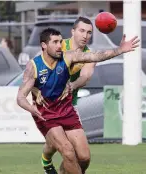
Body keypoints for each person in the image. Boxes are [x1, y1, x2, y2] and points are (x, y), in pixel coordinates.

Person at [16, 28, 139, 174]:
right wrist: (31, 108)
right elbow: (20, 97)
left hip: (67, 111)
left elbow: (95, 56)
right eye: (55, 42)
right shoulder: (34, 66)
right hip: (46, 114)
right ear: (44, 45)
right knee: (68, 152)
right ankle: (47, 162)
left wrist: (119, 50)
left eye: (61, 41)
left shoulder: (68, 57)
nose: (59, 45)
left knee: (84, 157)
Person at [40, 17, 96, 174]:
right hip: (49, 105)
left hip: (70, 105)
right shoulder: (58, 45)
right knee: (64, 147)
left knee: (84, 158)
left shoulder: (89, 55)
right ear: (73, 31)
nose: (85, 35)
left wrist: (72, 85)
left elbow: (85, 77)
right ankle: (46, 160)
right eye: (82, 31)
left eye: (89, 32)